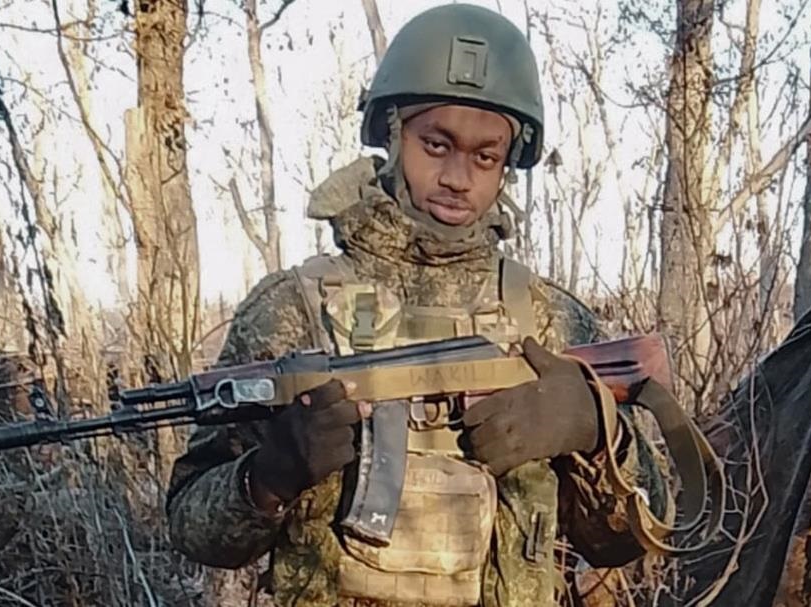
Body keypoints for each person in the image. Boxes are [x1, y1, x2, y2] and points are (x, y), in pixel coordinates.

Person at [167, 4, 672, 606]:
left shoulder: (547, 319)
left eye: (485, 156)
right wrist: (268, 478)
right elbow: (191, 524)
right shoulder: (295, 309)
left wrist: (597, 435)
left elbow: (637, 535)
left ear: (508, 164)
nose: (458, 177)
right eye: (436, 144)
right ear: (392, 133)